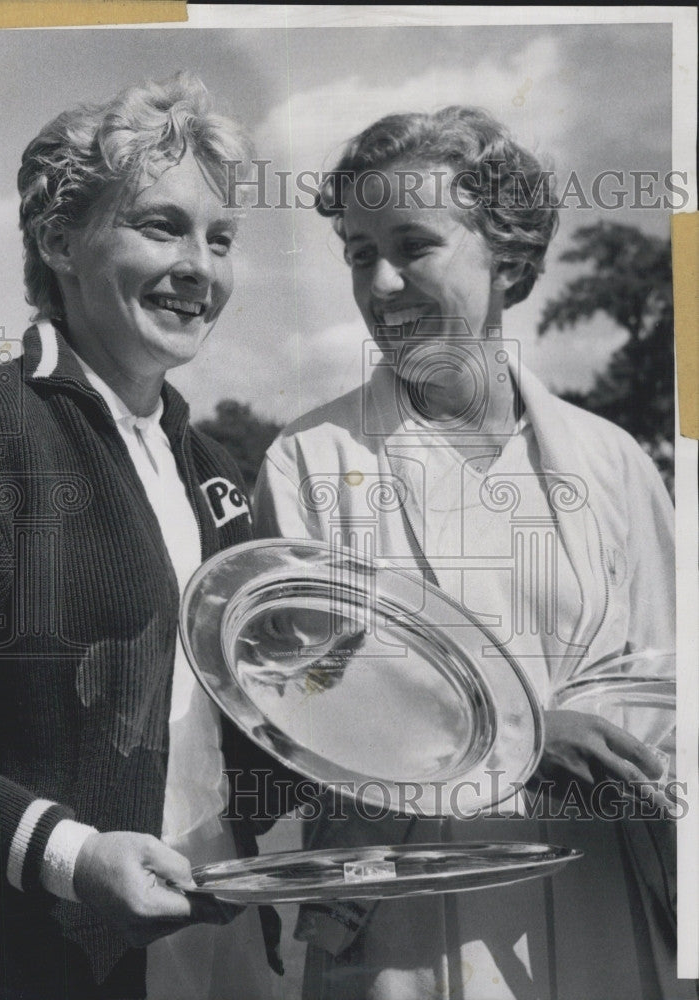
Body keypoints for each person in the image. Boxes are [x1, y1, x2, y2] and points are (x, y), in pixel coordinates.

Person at [254, 107, 692, 999]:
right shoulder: (308, 461)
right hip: (401, 935)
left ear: (508, 255)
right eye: (356, 252)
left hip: (604, 910)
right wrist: (528, 743)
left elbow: (669, 691)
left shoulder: (614, 462)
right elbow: (303, 718)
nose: (381, 284)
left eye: (414, 245)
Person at [0, 73, 289, 1000]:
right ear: (58, 240)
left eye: (220, 239)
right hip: (45, 962)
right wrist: (69, 855)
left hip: (225, 945)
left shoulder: (219, 469)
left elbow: (248, 731)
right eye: (161, 226)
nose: (201, 267)